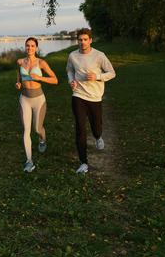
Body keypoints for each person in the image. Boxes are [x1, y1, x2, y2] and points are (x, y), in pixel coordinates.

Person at [66, 28, 116, 174]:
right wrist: (71, 81)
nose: (82, 42)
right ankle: (83, 162)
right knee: (80, 128)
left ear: (90, 40)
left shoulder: (99, 56)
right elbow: (69, 70)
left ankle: (98, 136)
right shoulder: (72, 56)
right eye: (80, 40)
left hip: (95, 97)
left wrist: (98, 76)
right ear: (78, 41)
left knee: (96, 126)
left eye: (85, 39)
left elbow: (112, 73)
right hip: (78, 95)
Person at [15, 37, 58, 172]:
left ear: (36, 48)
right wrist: (18, 83)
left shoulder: (42, 63)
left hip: (39, 99)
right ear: (25, 47)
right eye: (27, 46)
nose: (30, 48)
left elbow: (55, 80)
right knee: (26, 130)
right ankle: (29, 161)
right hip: (25, 99)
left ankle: (42, 139)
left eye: (32, 46)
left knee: (37, 129)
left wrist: (40, 78)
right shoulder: (20, 62)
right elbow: (19, 75)